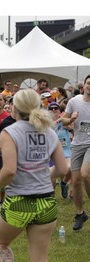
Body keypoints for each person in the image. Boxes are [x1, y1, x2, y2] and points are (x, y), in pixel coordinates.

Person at [0, 89, 67, 262]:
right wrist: (46, 174)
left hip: (19, 201)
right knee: (40, 261)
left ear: (14, 107)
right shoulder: (50, 132)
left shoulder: (10, 132)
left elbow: (9, 171)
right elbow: (62, 169)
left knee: (0, 243)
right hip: (47, 202)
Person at [60, 74, 90, 231]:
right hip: (77, 144)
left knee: (85, 174)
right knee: (76, 181)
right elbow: (63, 120)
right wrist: (70, 120)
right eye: (88, 83)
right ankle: (80, 214)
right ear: (83, 86)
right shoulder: (74, 101)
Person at [48, 102, 72, 199]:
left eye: (56, 108)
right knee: (52, 183)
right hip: (51, 153)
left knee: (69, 169)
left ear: (59, 111)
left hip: (65, 152)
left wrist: (69, 125)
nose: (54, 110)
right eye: (51, 109)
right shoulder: (46, 124)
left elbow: (72, 127)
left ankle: (64, 183)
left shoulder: (64, 122)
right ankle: (50, 199)